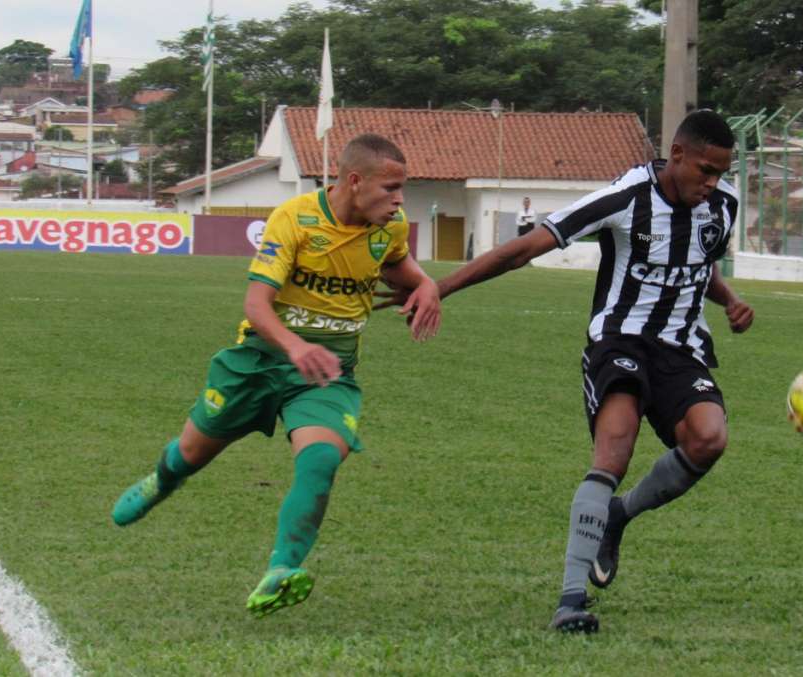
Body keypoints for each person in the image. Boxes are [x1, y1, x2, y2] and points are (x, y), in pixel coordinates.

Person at [380, 110, 753, 633]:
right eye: (705, 171)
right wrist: (437, 287)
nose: (713, 184)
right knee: (614, 448)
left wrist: (731, 298)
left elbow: (697, 262)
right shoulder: (624, 198)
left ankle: (617, 517)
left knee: (709, 440)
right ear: (678, 157)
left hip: (680, 348)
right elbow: (522, 250)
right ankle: (570, 600)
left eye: (721, 173)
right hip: (618, 341)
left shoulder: (722, 205)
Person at [110, 134, 441, 617]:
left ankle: (281, 570)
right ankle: (163, 479)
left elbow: (402, 268)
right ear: (354, 181)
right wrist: (295, 344)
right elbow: (255, 303)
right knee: (190, 453)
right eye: (390, 188)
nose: (398, 200)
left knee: (322, 459)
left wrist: (428, 285)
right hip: (259, 362)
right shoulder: (296, 219)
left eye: (401, 189)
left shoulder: (387, 230)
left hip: (327, 374)